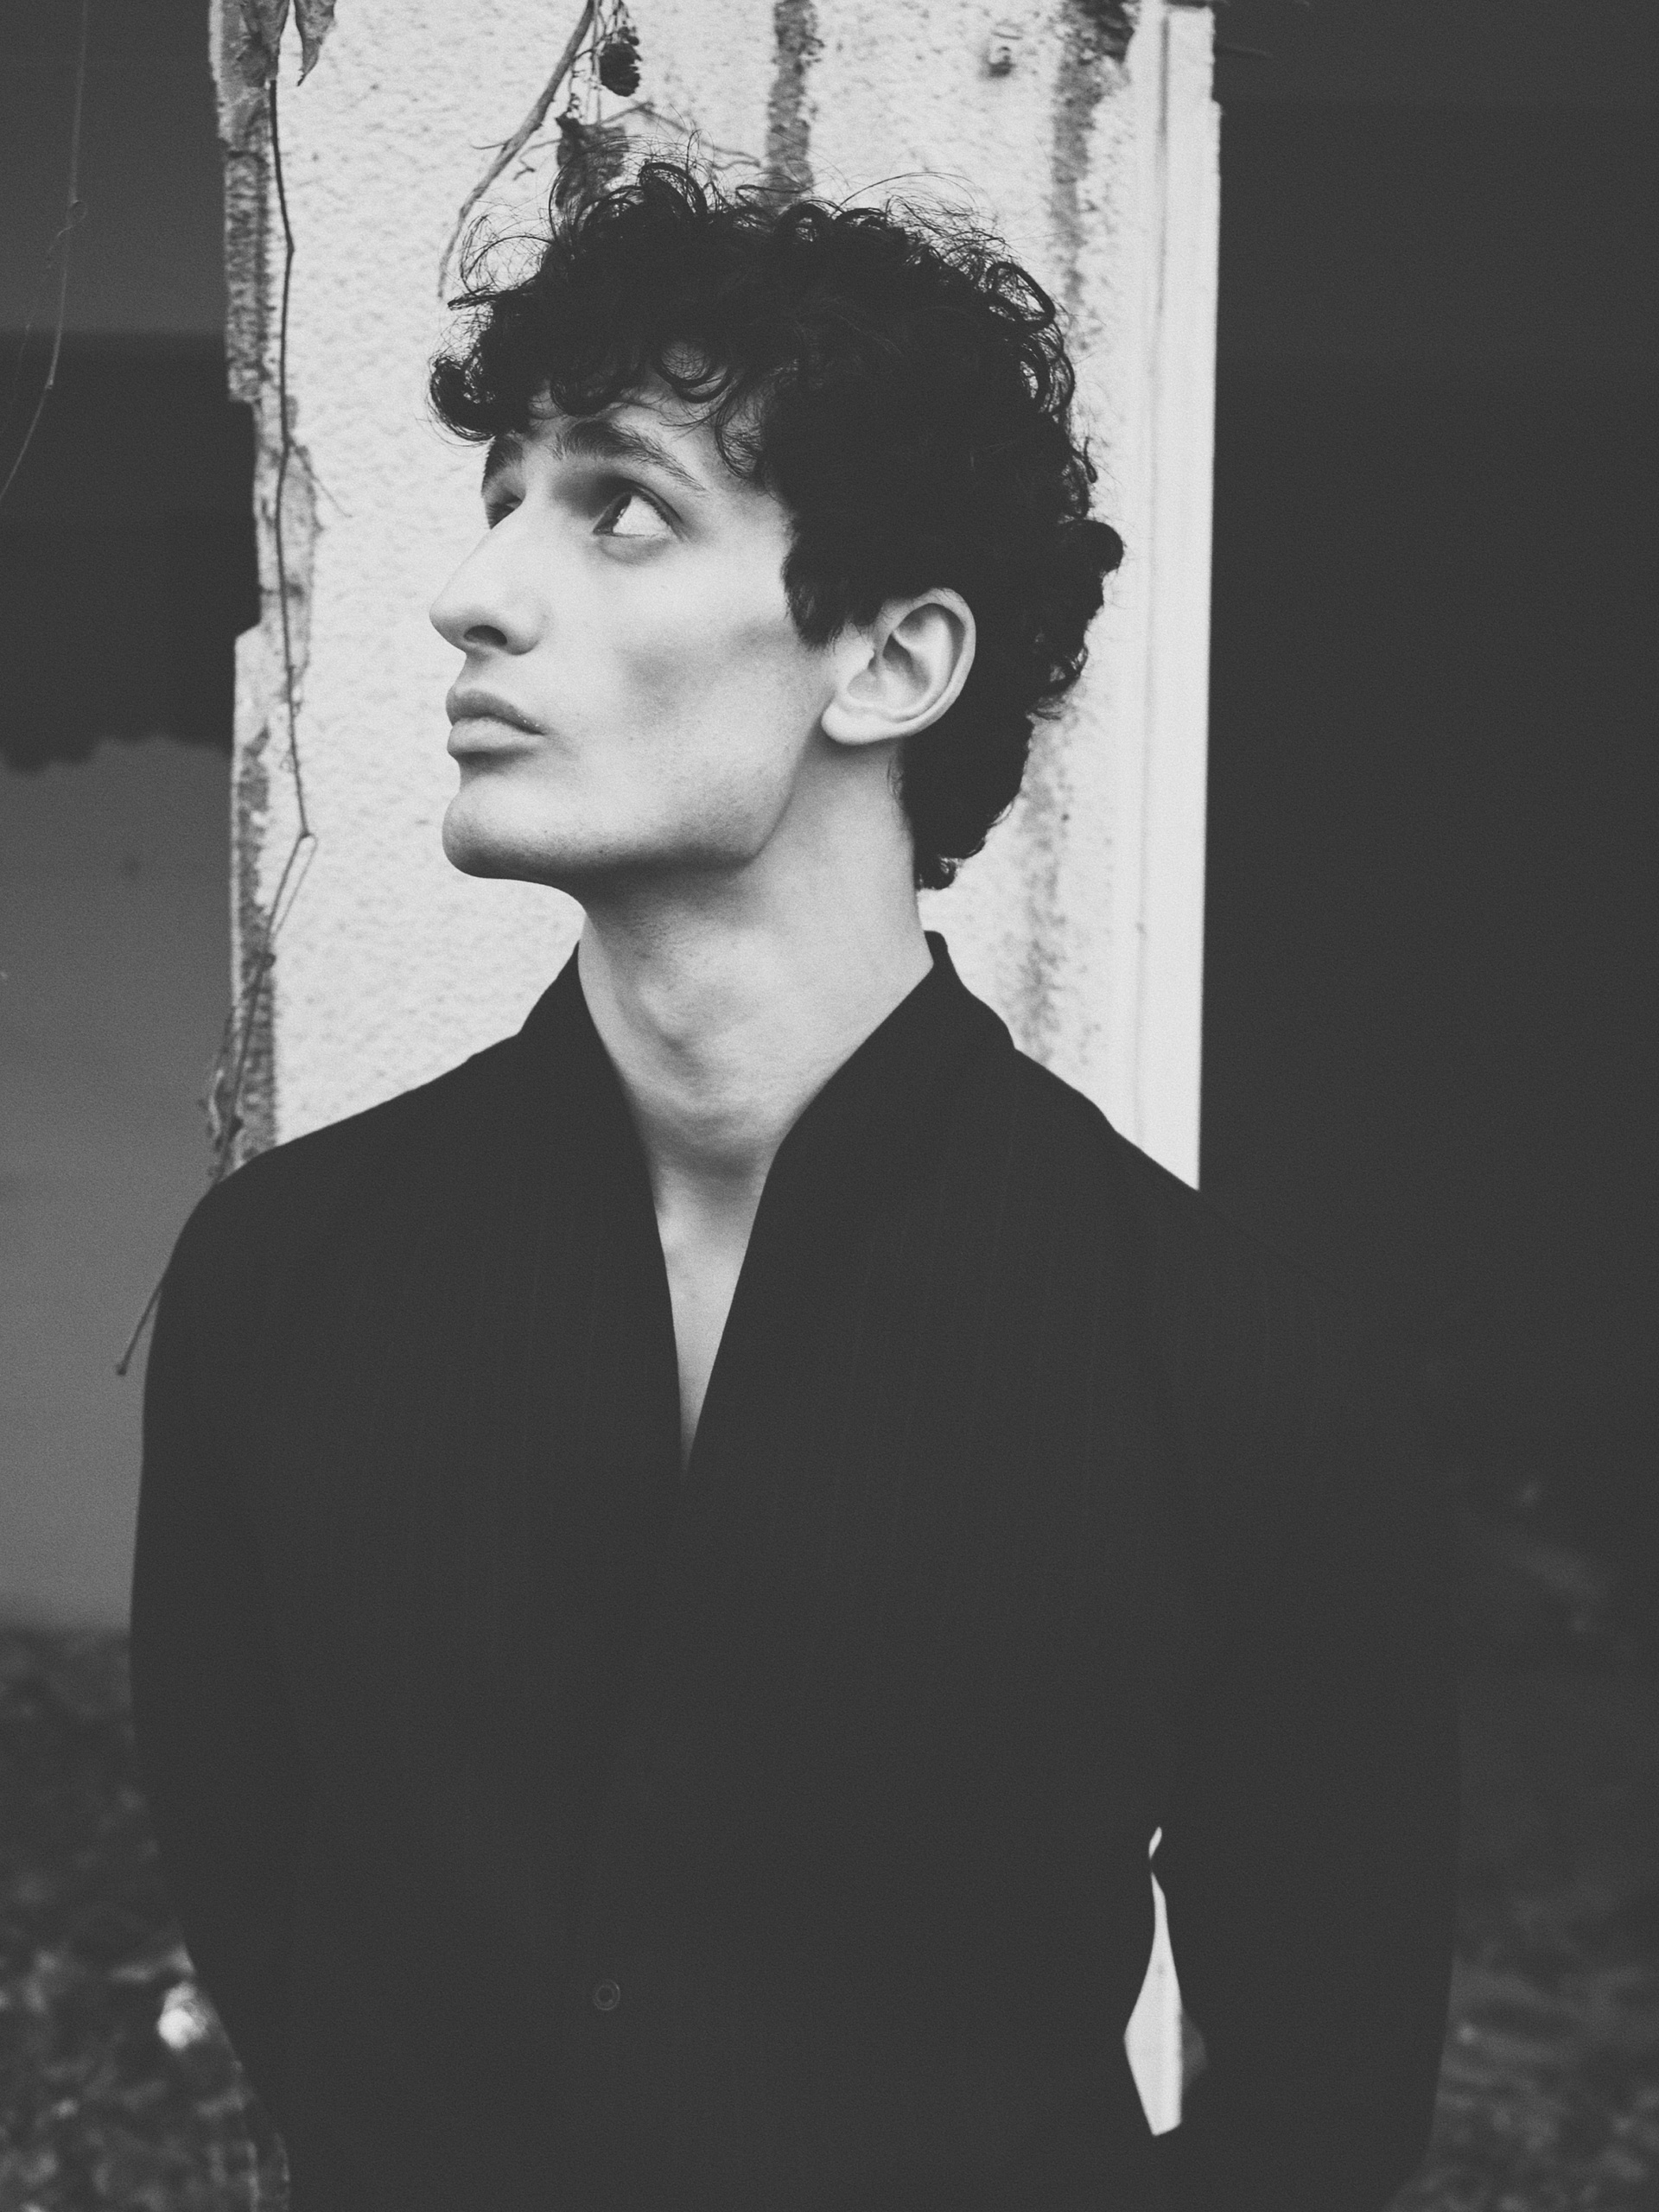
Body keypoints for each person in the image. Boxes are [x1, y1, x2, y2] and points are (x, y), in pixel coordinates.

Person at [130, 160, 1459, 2212]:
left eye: (620, 508)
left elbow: (1326, 2102)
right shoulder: (281, 1281)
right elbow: (263, 1898)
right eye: (504, 498)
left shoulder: (1241, 1372)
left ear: (894, 659)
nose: (477, 591)